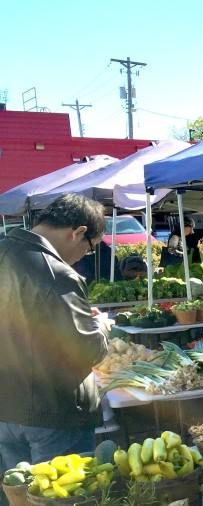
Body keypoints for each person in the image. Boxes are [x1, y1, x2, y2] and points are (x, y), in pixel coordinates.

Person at [0, 194, 109, 472]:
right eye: (90, 248)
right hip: (54, 414)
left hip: (6, 411)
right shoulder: (58, 274)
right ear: (79, 232)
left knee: (24, 505)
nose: (85, 255)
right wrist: (100, 327)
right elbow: (89, 350)